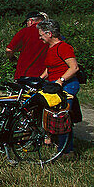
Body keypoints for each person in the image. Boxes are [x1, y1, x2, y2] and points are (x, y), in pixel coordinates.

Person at [37, 19, 81, 161]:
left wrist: (61, 80)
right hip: (54, 85)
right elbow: (50, 68)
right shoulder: (51, 48)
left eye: (41, 34)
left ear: (49, 34)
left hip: (66, 86)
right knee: (51, 114)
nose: (40, 37)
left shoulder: (63, 47)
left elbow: (74, 67)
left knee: (62, 117)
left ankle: (67, 151)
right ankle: (55, 142)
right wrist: (40, 79)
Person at [5, 11, 49, 79]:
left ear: (31, 21)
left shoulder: (24, 31)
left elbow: (9, 50)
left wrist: (12, 58)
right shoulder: (51, 33)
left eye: (26, 23)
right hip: (45, 75)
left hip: (24, 75)